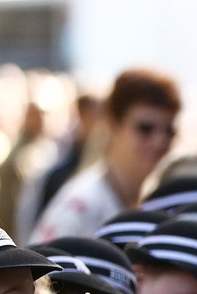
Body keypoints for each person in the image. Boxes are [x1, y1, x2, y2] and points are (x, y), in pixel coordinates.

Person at [30, 69, 180, 241]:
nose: (160, 141)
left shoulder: (158, 201)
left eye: (170, 131)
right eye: (145, 128)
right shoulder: (81, 207)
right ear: (112, 126)